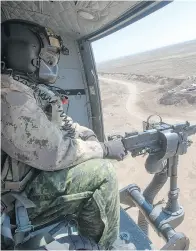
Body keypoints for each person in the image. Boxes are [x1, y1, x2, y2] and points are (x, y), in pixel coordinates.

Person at [1, 19, 133, 249]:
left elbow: (61, 124)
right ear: (25, 52)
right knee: (103, 173)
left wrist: (88, 135)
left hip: (33, 176)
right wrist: (102, 149)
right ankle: (108, 246)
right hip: (17, 199)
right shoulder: (11, 97)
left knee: (94, 161)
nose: (52, 60)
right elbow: (53, 151)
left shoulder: (27, 88)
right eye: (48, 54)